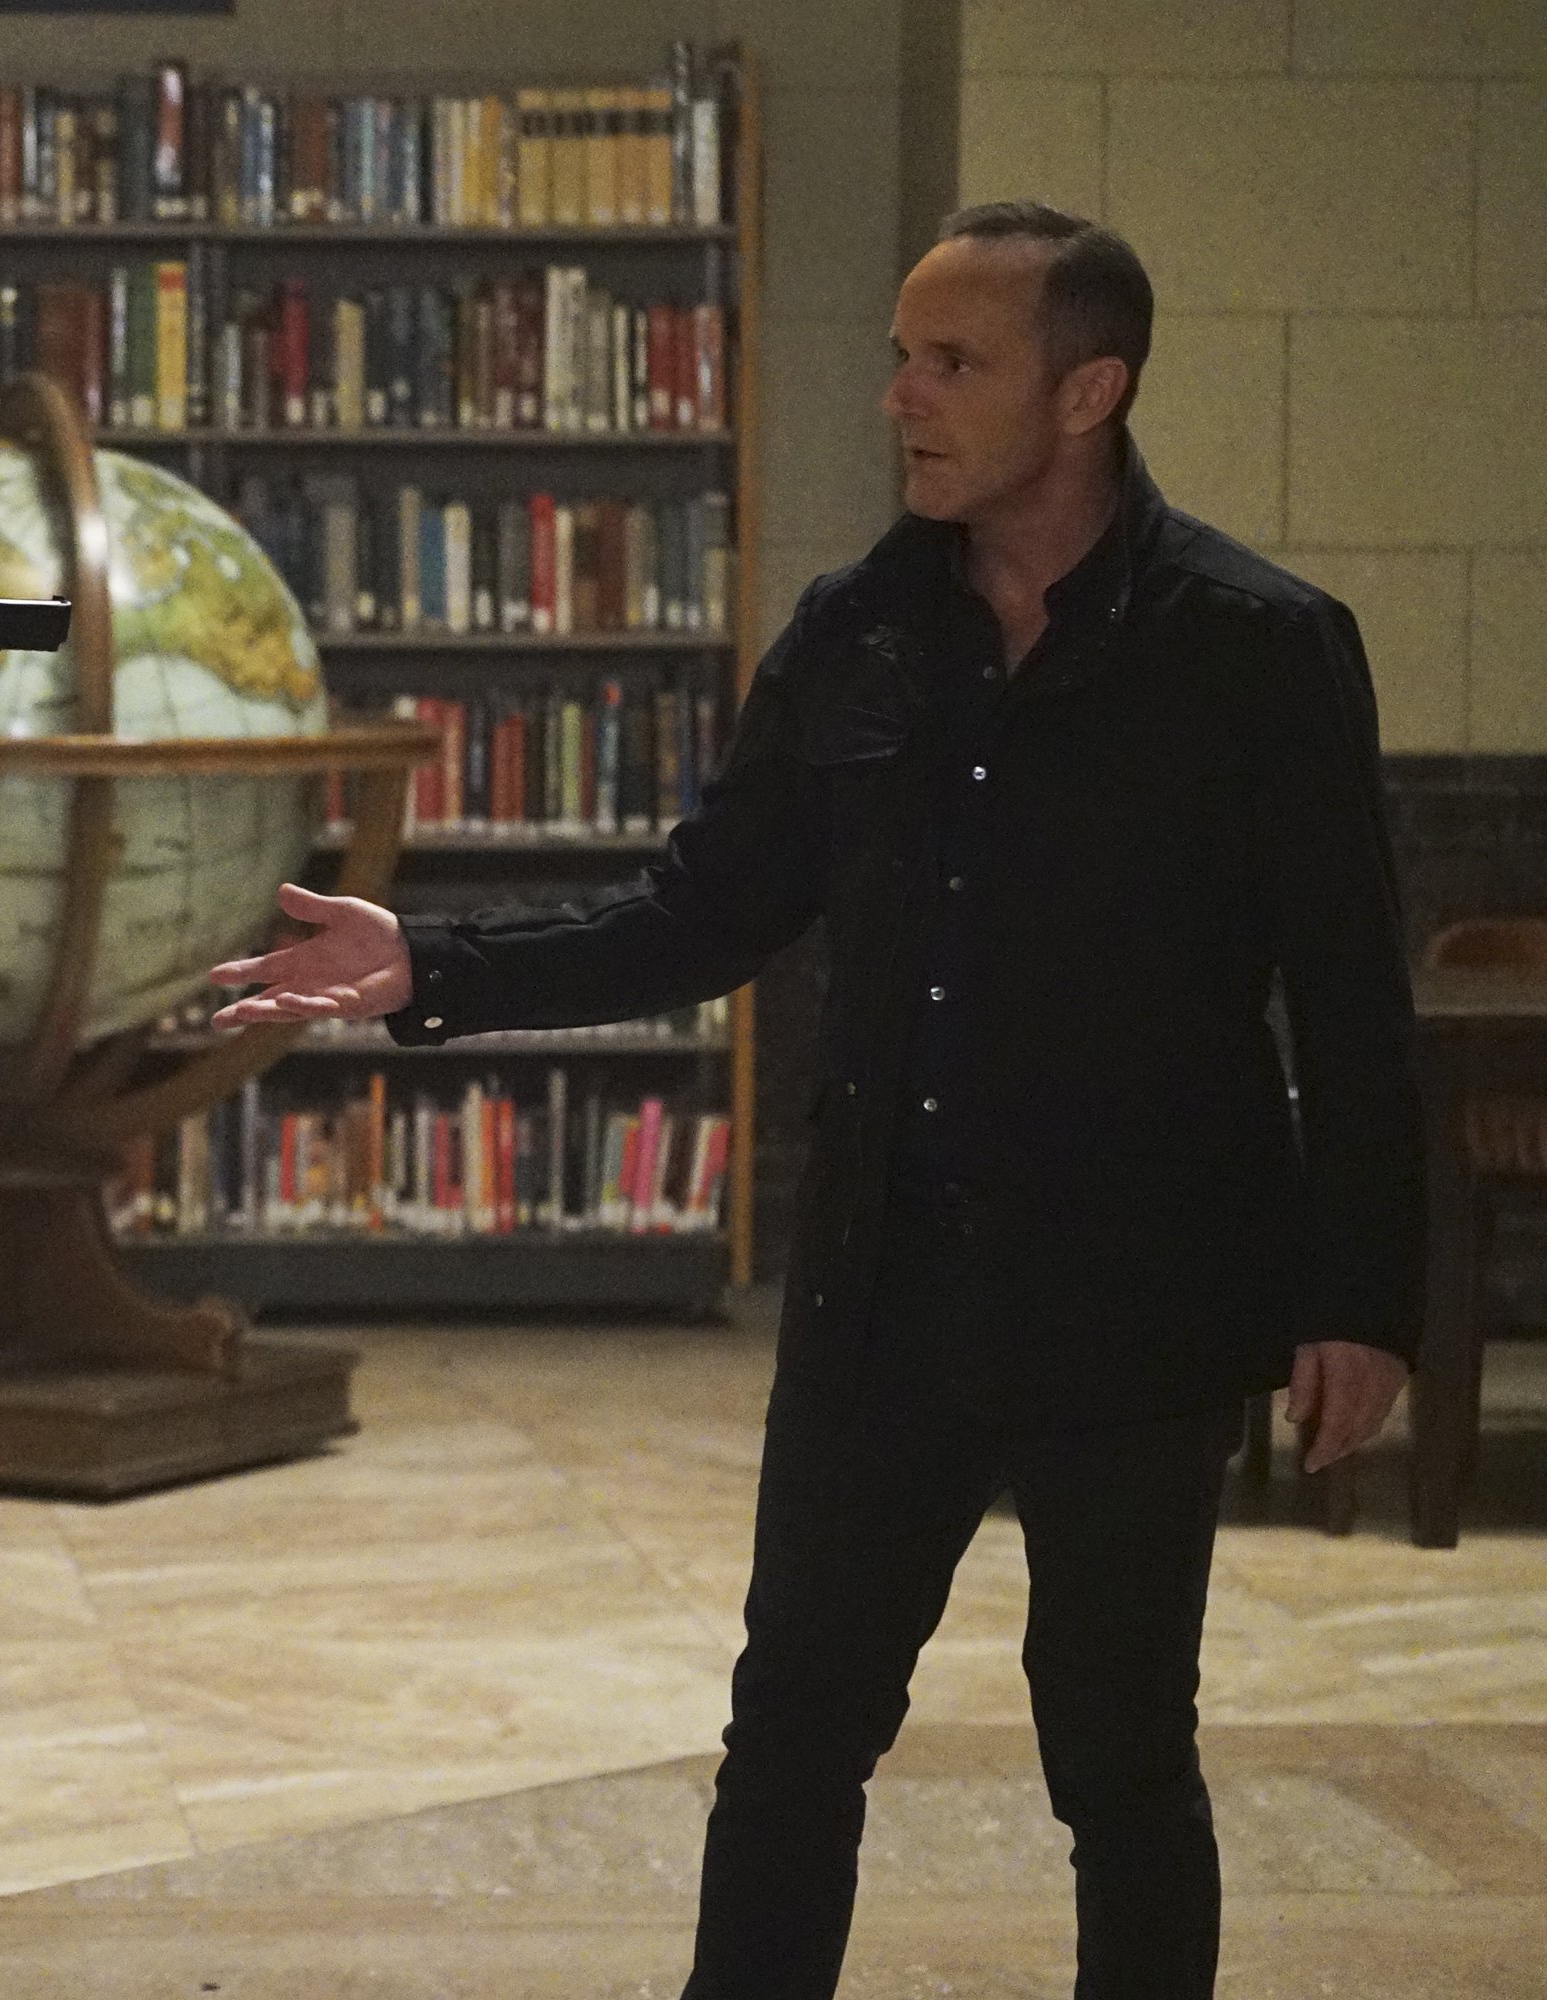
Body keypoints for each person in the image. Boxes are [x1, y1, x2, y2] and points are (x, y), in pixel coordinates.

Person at [208, 203, 1424, 1999]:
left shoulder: (1258, 648)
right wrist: (435, 965)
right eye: (901, 357)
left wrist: (1361, 1299)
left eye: (954, 363)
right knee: (789, 1741)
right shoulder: (857, 634)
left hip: (1137, 1301)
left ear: (1089, 391)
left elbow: (1352, 999)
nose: (901, 397)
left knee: (1120, 1764)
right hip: (883, 1300)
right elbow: (702, 914)